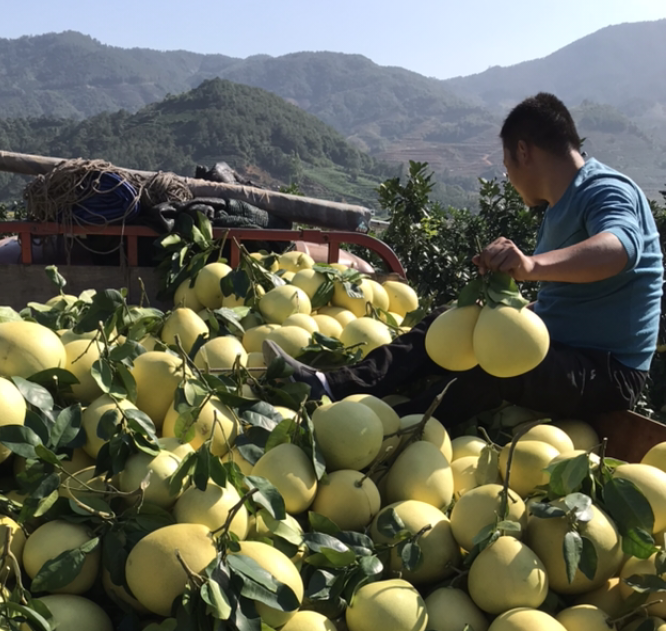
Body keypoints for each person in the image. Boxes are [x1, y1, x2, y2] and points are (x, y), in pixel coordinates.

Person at [263, 93, 664, 430]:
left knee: (494, 365)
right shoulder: (563, 203)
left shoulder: (604, 189)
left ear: (523, 151)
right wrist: (509, 307)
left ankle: (376, 431)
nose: (508, 176)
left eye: (506, 165)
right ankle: (332, 386)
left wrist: (531, 267)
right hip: (564, 348)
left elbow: (620, 248)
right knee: (447, 318)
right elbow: (578, 300)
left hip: (606, 373)